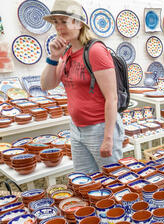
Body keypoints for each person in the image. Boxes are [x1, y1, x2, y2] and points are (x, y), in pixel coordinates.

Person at [40, 0, 124, 174]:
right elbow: (46, 85)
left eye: (64, 21)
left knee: (113, 180)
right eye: (56, 22)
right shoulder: (67, 53)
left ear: (78, 24)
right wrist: (53, 57)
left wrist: (108, 138)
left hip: (100, 127)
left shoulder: (95, 51)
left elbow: (112, 97)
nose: (59, 27)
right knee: (86, 182)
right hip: (76, 128)